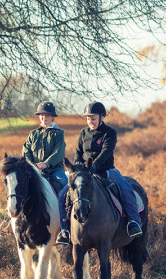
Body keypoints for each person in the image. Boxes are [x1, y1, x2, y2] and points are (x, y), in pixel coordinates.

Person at [57, 101, 143, 244]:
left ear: (101, 117)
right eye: (88, 119)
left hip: (105, 170)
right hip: (84, 172)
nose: (90, 121)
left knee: (126, 188)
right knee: (62, 195)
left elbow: (105, 152)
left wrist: (93, 167)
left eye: (93, 119)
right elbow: (78, 152)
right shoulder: (83, 133)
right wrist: (78, 166)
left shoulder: (110, 133)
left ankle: (133, 222)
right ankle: (65, 230)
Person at [22, 101, 67, 192]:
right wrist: (31, 165)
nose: (44, 118)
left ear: (53, 117)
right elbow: (26, 151)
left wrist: (46, 164)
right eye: (42, 115)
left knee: (65, 183)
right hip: (34, 170)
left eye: (47, 115)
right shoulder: (33, 134)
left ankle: (66, 206)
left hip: (54, 170)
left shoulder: (59, 133)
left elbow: (59, 152)